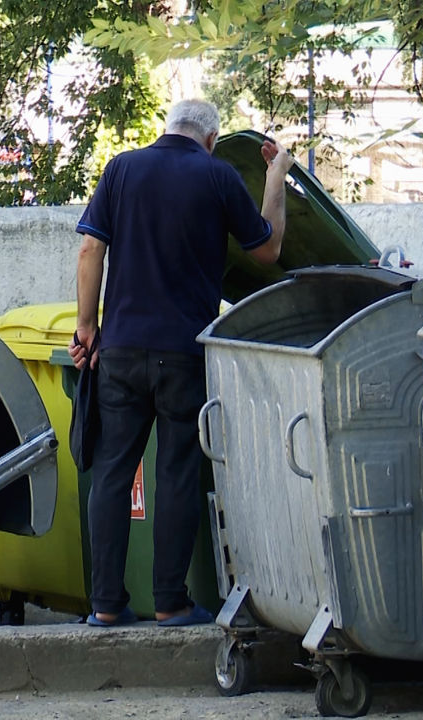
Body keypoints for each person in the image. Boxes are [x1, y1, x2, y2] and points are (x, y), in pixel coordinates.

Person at [69, 99, 293, 626]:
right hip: (184, 353)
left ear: (166, 130)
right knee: (175, 473)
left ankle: (104, 606)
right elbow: (269, 249)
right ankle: (170, 602)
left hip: (119, 350)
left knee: (111, 476)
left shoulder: (121, 168)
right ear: (211, 139)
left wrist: (86, 325)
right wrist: (276, 174)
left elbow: (88, 252)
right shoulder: (216, 176)